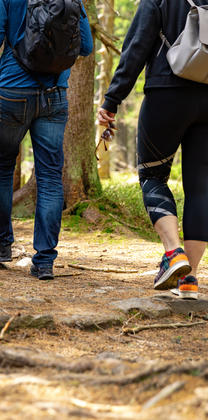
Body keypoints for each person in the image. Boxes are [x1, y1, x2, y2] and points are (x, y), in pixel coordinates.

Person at [97, 0, 208, 300]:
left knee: (152, 176)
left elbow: (136, 47)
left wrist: (111, 100)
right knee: (201, 189)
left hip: (166, 94)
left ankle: (174, 253)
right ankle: (190, 280)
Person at [0, 0, 93, 279]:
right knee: (51, 176)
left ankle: (2, 242)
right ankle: (44, 260)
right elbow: (86, 46)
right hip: (54, 93)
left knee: (2, 166)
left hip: (13, 92)